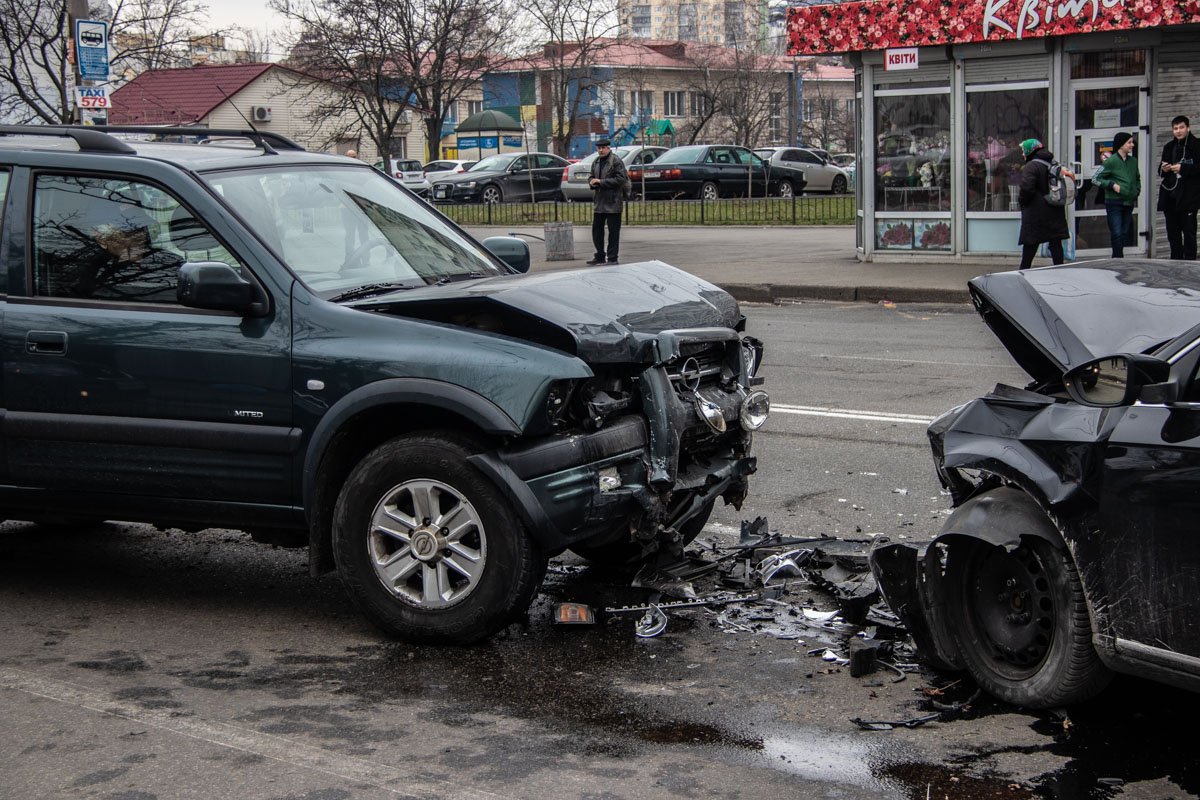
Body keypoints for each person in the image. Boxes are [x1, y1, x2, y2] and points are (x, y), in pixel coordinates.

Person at [1016, 138, 1070, 269]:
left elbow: (1027, 188)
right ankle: (1060, 271)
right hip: (1054, 210)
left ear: (1030, 151)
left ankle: (1023, 272)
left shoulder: (1031, 166)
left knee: (1030, 246)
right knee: (1055, 244)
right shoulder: (1053, 163)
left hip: (1036, 213)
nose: (1022, 154)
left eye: (1024, 151)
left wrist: (1022, 201)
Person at [1158, 115, 1200, 260]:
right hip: (1170, 197)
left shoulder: (1196, 145)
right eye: (1175, 128)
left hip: (1188, 198)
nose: (1178, 131)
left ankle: (1189, 264)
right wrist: (1164, 168)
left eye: (1181, 127)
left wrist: (1183, 168)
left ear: (1188, 128)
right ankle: (1175, 263)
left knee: (1189, 234)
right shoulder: (1169, 146)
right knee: (1173, 235)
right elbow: (1160, 172)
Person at [1095, 131, 1141, 258]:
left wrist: (1137, 191)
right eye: (1129, 142)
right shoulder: (1110, 161)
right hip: (1114, 203)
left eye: (1132, 142)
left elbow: (1137, 178)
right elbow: (1096, 178)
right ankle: (1117, 259)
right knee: (1117, 233)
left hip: (1128, 202)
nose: (1132, 145)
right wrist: (1112, 185)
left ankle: (1119, 257)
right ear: (1121, 144)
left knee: (1124, 233)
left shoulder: (1133, 161)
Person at [587, 139, 629, 265]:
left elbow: (621, 179)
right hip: (599, 202)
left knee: (613, 232)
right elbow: (591, 176)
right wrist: (591, 182)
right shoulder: (596, 161)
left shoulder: (616, 161)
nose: (600, 150)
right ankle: (600, 255)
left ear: (608, 148)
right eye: (599, 148)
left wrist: (601, 182)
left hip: (613, 202)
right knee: (597, 231)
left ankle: (612, 257)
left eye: (603, 148)